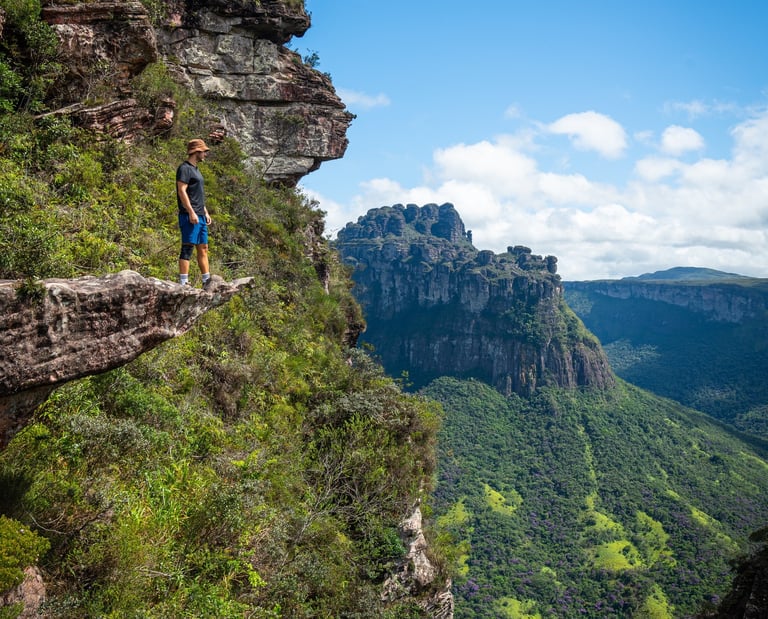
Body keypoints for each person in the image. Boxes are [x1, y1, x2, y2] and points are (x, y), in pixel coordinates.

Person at [176, 138, 212, 286]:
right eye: (204, 151)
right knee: (188, 247)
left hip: (201, 215)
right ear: (196, 151)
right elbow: (182, 190)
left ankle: (206, 280)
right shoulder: (184, 168)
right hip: (189, 215)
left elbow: (197, 194)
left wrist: (205, 212)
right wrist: (191, 212)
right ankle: (184, 282)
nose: (205, 154)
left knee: (203, 248)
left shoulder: (196, 169)